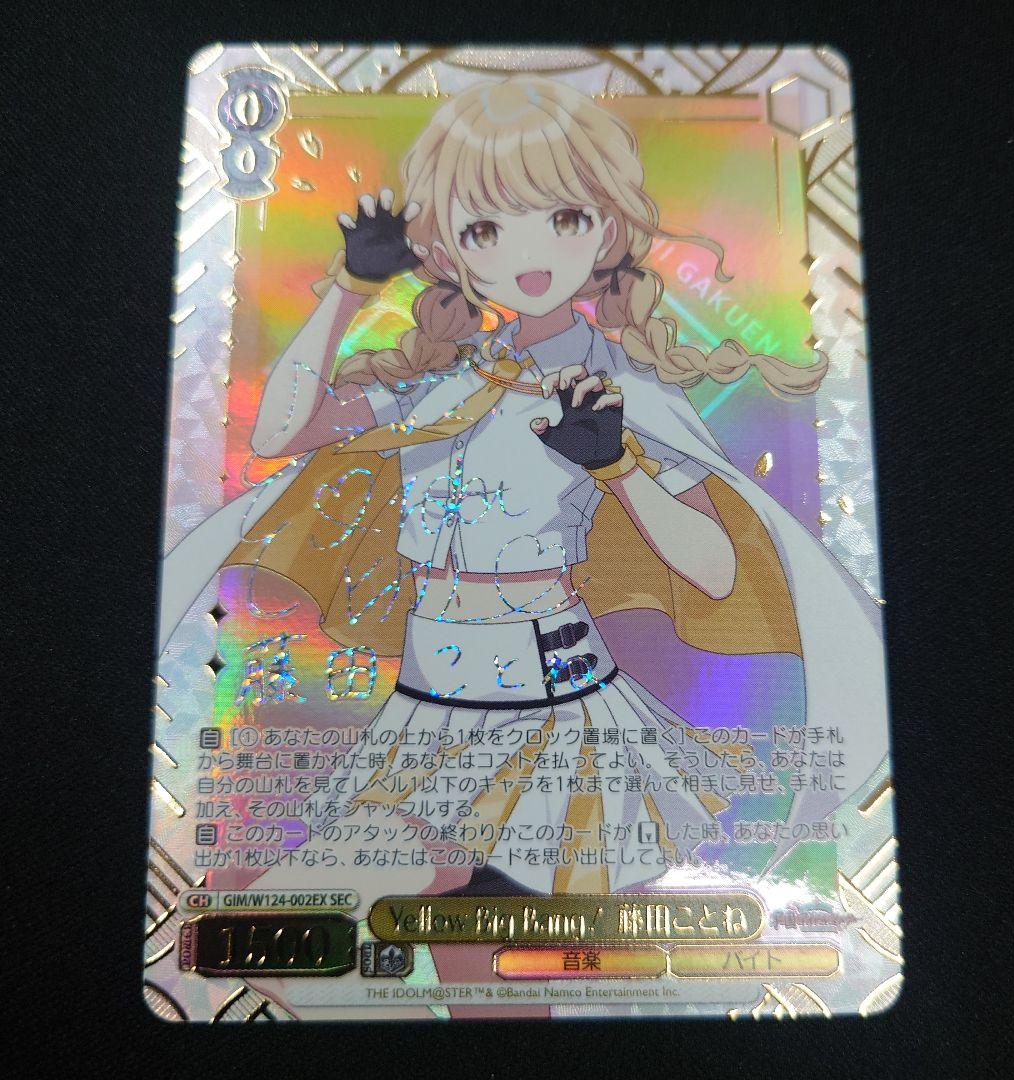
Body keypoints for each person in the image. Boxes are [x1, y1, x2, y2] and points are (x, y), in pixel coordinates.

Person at [159, 75, 888, 896]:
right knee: (446, 940)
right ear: (448, 254)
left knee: (350, 891)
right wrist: (348, 288)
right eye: (485, 229)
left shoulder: (620, 384)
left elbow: (714, 569)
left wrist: (616, 467)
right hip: (427, 702)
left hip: (545, 707)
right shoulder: (447, 377)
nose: (527, 254)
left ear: (606, 229)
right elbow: (277, 434)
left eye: (564, 218)